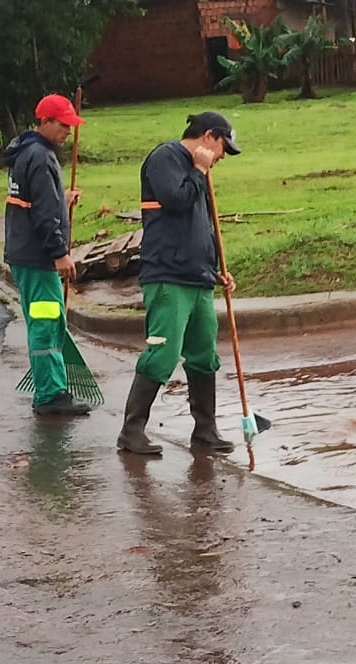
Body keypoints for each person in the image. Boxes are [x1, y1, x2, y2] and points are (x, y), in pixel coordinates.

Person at [117, 112, 242, 456]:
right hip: (168, 276)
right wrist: (199, 169)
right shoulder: (165, 159)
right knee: (164, 353)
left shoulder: (200, 174)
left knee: (204, 355)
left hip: (198, 277)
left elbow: (202, 222)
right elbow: (175, 199)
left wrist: (216, 266)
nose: (221, 158)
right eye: (222, 149)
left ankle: (205, 430)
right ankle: (131, 431)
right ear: (209, 137)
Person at [2, 93, 93, 417]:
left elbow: (36, 201)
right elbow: (42, 214)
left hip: (25, 253)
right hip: (37, 257)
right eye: (63, 124)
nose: (68, 131)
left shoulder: (27, 152)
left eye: (70, 125)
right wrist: (59, 253)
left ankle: (50, 388)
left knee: (46, 321)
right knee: (46, 323)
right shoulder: (40, 157)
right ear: (46, 122)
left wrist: (61, 198)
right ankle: (50, 394)